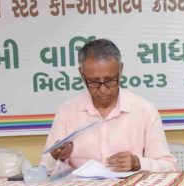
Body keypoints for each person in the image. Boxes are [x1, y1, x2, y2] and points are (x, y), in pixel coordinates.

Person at [42, 39, 177, 173]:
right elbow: (44, 170)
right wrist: (57, 157)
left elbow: (170, 168)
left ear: (120, 70)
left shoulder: (144, 110)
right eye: (94, 82)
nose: (103, 90)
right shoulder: (67, 112)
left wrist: (137, 163)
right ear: (82, 75)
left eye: (110, 80)